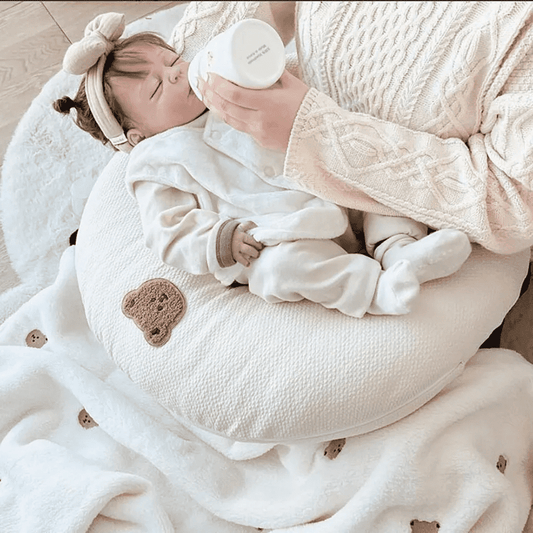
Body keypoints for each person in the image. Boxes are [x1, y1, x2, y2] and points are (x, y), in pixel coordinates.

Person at [54, 14, 472, 318]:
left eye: (172, 61)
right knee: (282, 270)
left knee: (373, 180)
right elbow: (169, 232)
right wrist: (221, 239)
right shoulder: (155, 162)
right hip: (276, 233)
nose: (178, 74)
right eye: (158, 87)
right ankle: (377, 289)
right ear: (137, 136)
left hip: (324, 183)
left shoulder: (220, 88)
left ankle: (401, 252)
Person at [170, 1, 533, 256]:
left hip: (392, 220)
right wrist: (161, 79)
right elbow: (207, 46)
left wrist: (317, 134)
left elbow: (513, 205)